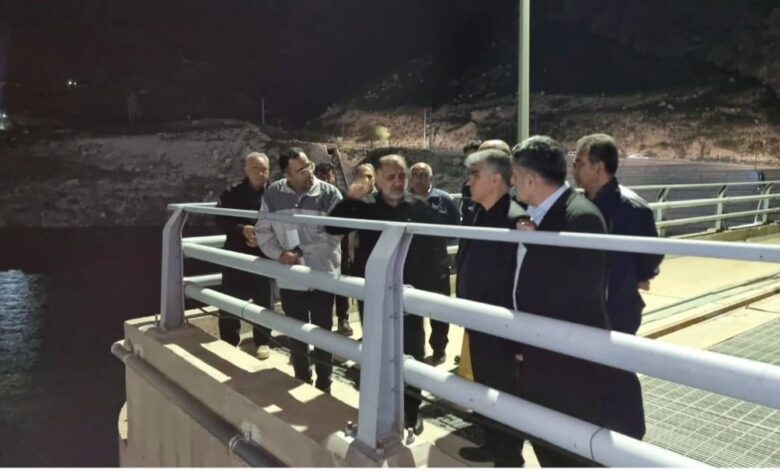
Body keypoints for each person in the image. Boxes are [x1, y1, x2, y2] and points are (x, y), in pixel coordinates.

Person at [327, 155, 450, 435]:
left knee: (412, 353)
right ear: (379, 180)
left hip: (409, 295)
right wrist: (350, 199)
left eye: (401, 176)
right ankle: (377, 411)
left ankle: (410, 413)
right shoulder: (365, 205)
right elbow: (333, 227)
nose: (397, 182)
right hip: (374, 294)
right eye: (390, 176)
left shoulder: (418, 206)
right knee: (376, 352)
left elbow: (434, 250)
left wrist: (432, 293)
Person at [510, 136, 612, 467]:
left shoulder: (581, 217)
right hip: (539, 352)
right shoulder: (534, 214)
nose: (512, 182)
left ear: (530, 179)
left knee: (569, 452)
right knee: (547, 442)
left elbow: (579, 292)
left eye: (515, 176)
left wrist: (537, 244)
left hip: (566, 363)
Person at [572, 133, 662, 440]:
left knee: (618, 371)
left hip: (618, 308)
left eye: (579, 162)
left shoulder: (631, 208)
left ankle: (629, 438)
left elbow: (650, 257)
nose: (574, 168)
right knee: (589, 369)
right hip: (586, 306)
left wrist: (632, 278)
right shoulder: (578, 204)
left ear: (598, 167)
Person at [455, 149, 526, 467]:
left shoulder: (514, 221)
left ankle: (509, 457)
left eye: (475, 175)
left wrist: (519, 340)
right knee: (485, 387)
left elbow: (520, 283)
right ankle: (492, 445)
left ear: (496, 179)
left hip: (503, 329)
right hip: (480, 322)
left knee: (505, 394)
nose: (469, 181)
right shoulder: (480, 213)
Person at [255, 148, 343, 394]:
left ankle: (324, 384)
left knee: (323, 334)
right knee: (297, 334)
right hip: (291, 279)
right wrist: (279, 254)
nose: (309, 173)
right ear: (287, 174)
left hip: (322, 276)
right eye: (301, 170)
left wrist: (300, 251)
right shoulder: (272, 195)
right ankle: (302, 380)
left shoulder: (330, 194)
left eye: (309, 166)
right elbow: (263, 231)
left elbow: (334, 233)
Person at [214, 152, 274, 359]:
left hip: (263, 254)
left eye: (264, 169)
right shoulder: (232, 192)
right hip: (236, 253)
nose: (260, 173)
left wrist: (263, 237)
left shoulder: (276, 194)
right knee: (229, 300)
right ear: (247, 170)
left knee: (264, 301)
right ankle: (229, 342)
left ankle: (263, 342)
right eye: (256, 168)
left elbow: (283, 222)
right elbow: (220, 219)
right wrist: (242, 229)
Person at [409, 162, 460, 365]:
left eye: (423, 175)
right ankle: (416, 351)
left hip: (437, 265)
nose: (419, 178)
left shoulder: (444, 200)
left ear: (431, 178)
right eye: (415, 175)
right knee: (411, 313)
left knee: (439, 310)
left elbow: (456, 227)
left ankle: (439, 348)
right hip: (410, 266)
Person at [314, 161, 353, 336]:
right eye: (321, 177)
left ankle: (343, 319)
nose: (326, 180)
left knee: (341, 286)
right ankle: (323, 322)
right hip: (319, 250)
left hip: (341, 248)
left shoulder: (343, 196)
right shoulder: (312, 198)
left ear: (334, 177)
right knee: (322, 288)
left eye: (328, 177)